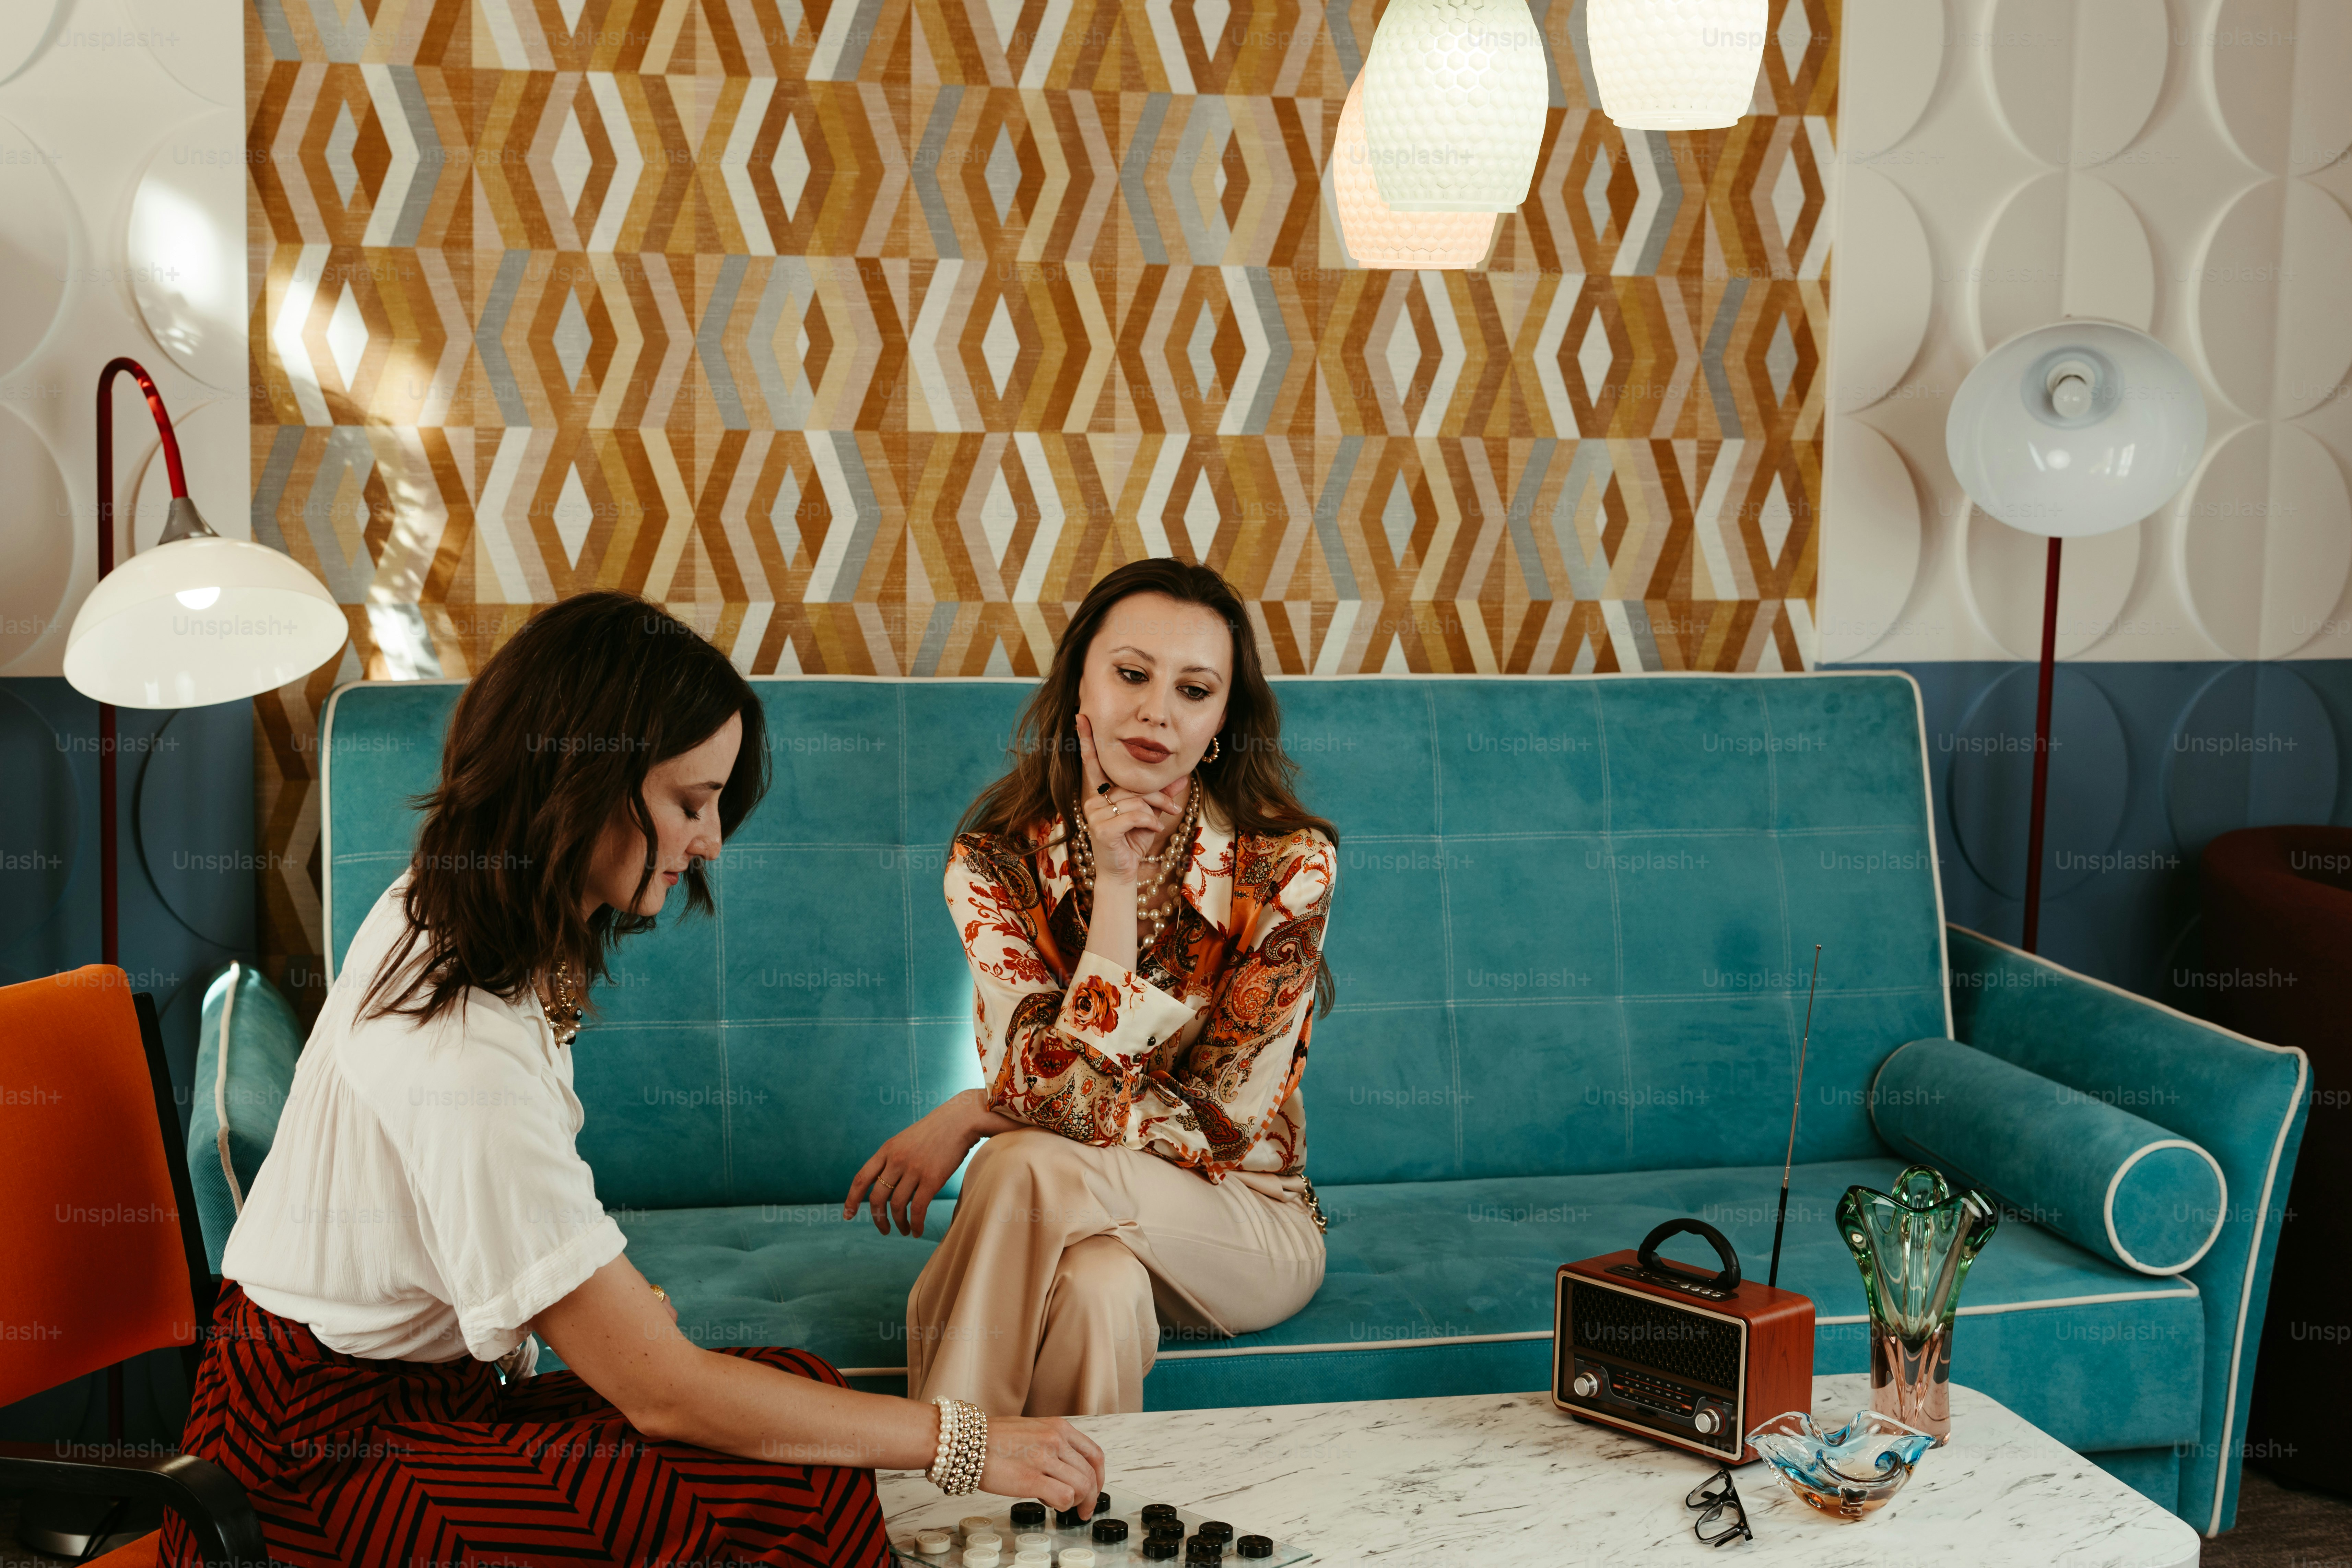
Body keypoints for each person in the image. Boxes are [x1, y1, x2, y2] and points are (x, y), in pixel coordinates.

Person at [168, 592, 1102, 1568]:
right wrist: (971, 1440)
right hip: (300, 1460)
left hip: (424, 1396)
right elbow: (663, 1391)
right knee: (719, 1502)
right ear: (581, 777)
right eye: (690, 802)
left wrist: (598, 1289)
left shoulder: (468, 912)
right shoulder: (460, 1040)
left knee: (791, 1392)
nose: (712, 841)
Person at [845, 559, 1341, 1418]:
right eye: (1131, 674)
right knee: (1097, 1287)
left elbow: (1217, 1124)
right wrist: (1113, 888)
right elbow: (1046, 1087)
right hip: (1083, 1224)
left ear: (1221, 720)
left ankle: (937, 1486)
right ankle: (1069, 1541)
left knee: (1022, 1158)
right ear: (1081, 683)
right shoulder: (992, 865)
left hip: (1244, 1222)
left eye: (1194, 690)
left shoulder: (1288, 868)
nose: (1156, 711)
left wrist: (971, 1112)